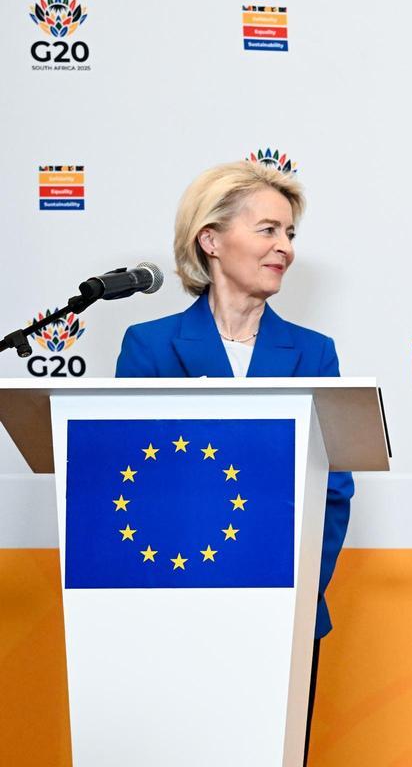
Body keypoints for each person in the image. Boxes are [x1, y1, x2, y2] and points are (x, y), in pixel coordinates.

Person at [115, 161, 353, 763]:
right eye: (269, 230)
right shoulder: (149, 346)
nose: (285, 249)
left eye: (291, 235)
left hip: (284, 613)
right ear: (212, 240)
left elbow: (334, 492)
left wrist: (296, 592)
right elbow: (132, 483)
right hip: (173, 605)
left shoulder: (314, 353)